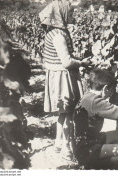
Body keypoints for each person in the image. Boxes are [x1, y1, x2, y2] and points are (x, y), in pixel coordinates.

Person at [39, 0, 90, 159]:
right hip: (62, 78)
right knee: (68, 114)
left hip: (57, 75)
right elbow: (67, 62)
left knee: (63, 114)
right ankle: (67, 149)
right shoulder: (59, 36)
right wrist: (82, 62)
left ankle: (57, 144)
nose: (72, 14)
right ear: (61, 13)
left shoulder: (51, 31)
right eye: (70, 12)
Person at [72, 69, 118, 169]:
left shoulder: (89, 96)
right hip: (87, 149)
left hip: (85, 142)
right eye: (112, 90)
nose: (112, 93)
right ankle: (94, 165)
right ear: (105, 88)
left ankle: (101, 157)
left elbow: (112, 108)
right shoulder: (95, 101)